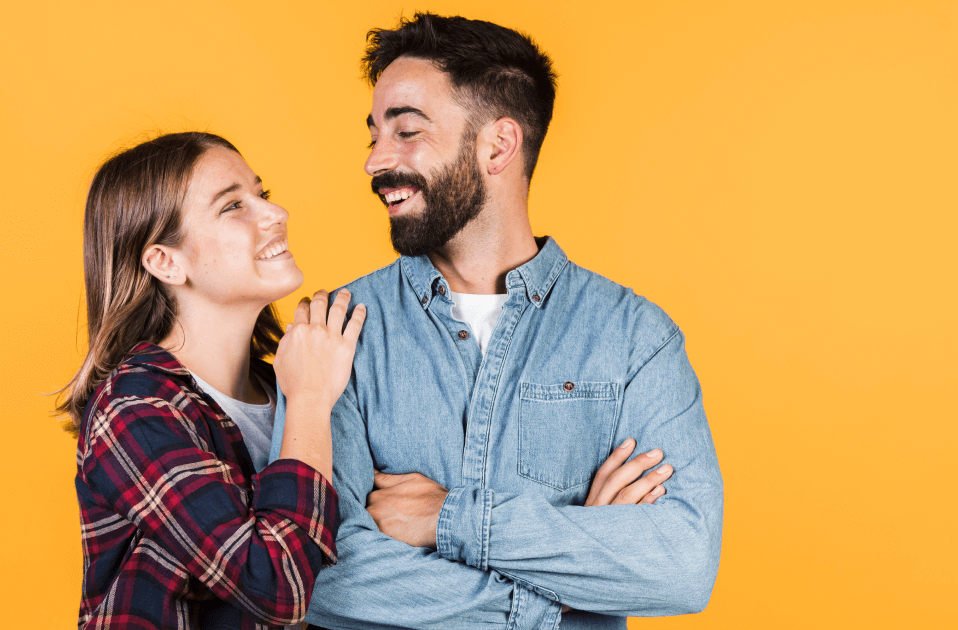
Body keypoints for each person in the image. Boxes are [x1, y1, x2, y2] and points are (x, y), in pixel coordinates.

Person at [269, 13, 723, 629]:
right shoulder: (336, 332)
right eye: (375, 134)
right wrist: (568, 582)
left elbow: (680, 566)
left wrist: (449, 518)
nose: (376, 161)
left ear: (498, 146)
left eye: (406, 132)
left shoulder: (634, 338)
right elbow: (319, 575)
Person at [61, 132, 366, 629]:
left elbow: (369, 543)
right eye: (232, 207)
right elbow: (277, 586)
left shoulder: (286, 383)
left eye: (261, 194)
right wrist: (310, 399)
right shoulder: (135, 409)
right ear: (166, 261)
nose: (276, 213)